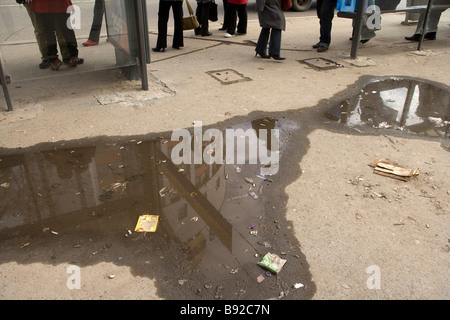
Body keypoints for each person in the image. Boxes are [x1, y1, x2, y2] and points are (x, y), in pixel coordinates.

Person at [30, 0, 81, 71]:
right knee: (66, 28)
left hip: (43, 4)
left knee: (48, 31)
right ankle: (73, 55)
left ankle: (53, 59)